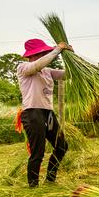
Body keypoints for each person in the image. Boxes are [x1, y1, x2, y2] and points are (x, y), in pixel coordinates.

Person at [16, 38, 73, 187]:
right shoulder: (23, 67)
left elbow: (68, 75)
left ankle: (50, 179)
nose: (45, 55)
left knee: (62, 146)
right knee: (38, 152)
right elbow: (37, 65)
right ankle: (33, 185)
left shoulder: (47, 71)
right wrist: (56, 50)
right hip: (32, 113)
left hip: (48, 113)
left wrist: (71, 56)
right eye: (43, 53)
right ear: (34, 54)